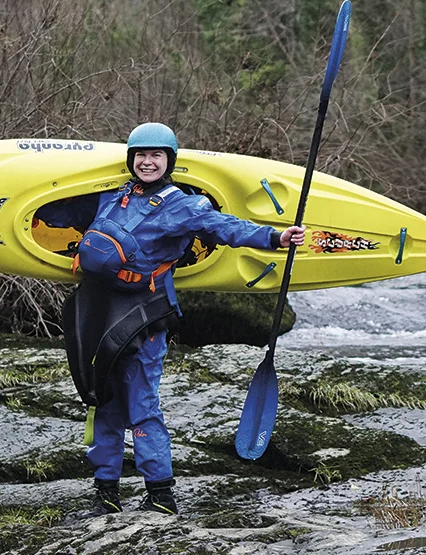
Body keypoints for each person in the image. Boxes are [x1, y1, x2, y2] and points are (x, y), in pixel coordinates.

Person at [35, 122, 305, 516]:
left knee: (142, 405)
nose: (147, 162)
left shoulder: (182, 204)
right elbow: (65, 210)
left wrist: (274, 238)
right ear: (131, 160)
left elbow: (224, 227)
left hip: (144, 314)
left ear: (169, 161)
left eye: (155, 155)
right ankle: (105, 492)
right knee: (102, 401)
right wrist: (29, 208)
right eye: (140, 155)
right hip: (98, 308)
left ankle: (160, 494)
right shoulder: (112, 194)